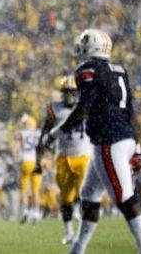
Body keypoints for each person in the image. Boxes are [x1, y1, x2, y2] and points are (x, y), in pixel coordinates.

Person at [49, 29, 141, 254]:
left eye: (83, 44)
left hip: (109, 140)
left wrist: (57, 131)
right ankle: (78, 248)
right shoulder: (119, 70)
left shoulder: (88, 70)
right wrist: (136, 146)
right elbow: (129, 112)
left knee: (124, 198)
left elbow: (84, 107)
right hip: (123, 136)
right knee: (89, 195)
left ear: (91, 46)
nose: (80, 48)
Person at [35, 76, 92, 244]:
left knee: (83, 192)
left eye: (73, 92)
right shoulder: (54, 109)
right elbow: (44, 133)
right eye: (67, 92)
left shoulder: (86, 107)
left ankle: (82, 227)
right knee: (65, 197)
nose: (70, 96)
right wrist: (39, 157)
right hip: (63, 157)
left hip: (84, 155)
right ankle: (69, 233)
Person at [15, 113, 42, 223]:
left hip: (26, 160)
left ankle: (25, 210)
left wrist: (16, 157)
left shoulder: (22, 133)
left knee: (24, 190)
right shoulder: (39, 133)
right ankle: (36, 212)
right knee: (36, 191)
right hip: (37, 162)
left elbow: (15, 147)